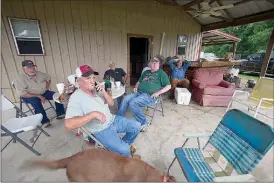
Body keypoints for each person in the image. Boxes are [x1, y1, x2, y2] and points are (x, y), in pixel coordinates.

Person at [65, 64, 141, 158]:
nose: (92, 81)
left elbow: (112, 103)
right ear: (78, 80)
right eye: (88, 78)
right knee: (125, 150)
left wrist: (104, 93)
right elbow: (68, 125)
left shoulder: (96, 90)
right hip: (101, 129)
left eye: (93, 77)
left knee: (137, 126)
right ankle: (123, 151)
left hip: (113, 120)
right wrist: (93, 115)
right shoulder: (76, 97)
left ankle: (122, 147)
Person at [117, 55, 171, 131]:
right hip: (139, 92)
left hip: (150, 95)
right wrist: (135, 87)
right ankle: (118, 119)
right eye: (152, 62)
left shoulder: (161, 73)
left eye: (156, 62)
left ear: (159, 64)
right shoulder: (146, 72)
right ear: (150, 64)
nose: (154, 64)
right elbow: (139, 81)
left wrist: (158, 93)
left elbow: (168, 86)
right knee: (125, 98)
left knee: (133, 103)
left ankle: (144, 122)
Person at [14, 60, 65, 127]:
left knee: (58, 95)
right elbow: (22, 93)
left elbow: (48, 78)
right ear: (24, 68)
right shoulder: (19, 79)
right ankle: (44, 121)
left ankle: (60, 113)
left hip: (43, 92)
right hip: (29, 95)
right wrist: (39, 96)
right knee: (36, 102)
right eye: (29, 68)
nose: (32, 69)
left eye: (33, 67)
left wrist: (47, 87)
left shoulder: (39, 73)